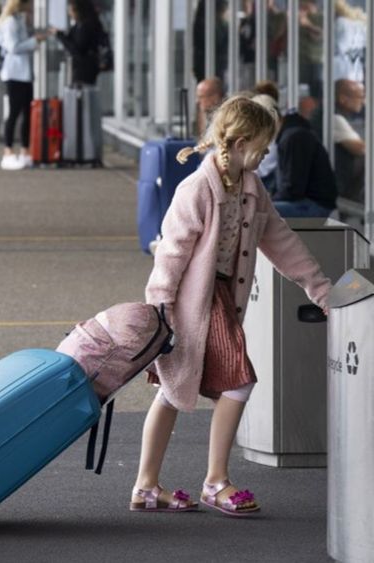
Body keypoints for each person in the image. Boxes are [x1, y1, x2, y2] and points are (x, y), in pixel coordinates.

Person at [133, 95, 331, 517]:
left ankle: (147, 487)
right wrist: (161, 308)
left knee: (174, 390)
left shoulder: (250, 187)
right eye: (263, 146)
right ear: (239, 143)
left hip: (219, 299)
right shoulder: (197, 189)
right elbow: (170, 252)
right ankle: (215, 482)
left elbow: (280, 240)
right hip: (190, 302)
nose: (267, 154)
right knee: (233, 381)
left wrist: (321, 288)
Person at [0, 0, 45, 170]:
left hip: (25, 73)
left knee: (27, 112)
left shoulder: (20, 20)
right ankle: (7, 152)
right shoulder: (9, 22)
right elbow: (13, 47)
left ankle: (25, 151)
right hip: (14, 73)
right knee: (14, 113)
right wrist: (34, 41)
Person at [272, 103, 338, 218]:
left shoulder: (294, 137)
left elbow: (293, 188)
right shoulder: (291, 135)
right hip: (306, 201)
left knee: (254, 212)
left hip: (313, 205)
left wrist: (268, 200)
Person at [49, 0, 104, 87]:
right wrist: (60, 34)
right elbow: (71, 40)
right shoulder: (79, 25)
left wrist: (59, 35)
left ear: (79, 11)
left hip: (85, 71)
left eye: (71, 11)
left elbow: (76, 50)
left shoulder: (87, 26)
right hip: (80, 69)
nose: (70, 14)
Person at [333, 78, 365, 201]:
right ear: (343, 99)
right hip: (342, 187)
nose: (363, 102)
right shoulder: (334, 119)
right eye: (360, 97)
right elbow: (361, 149)